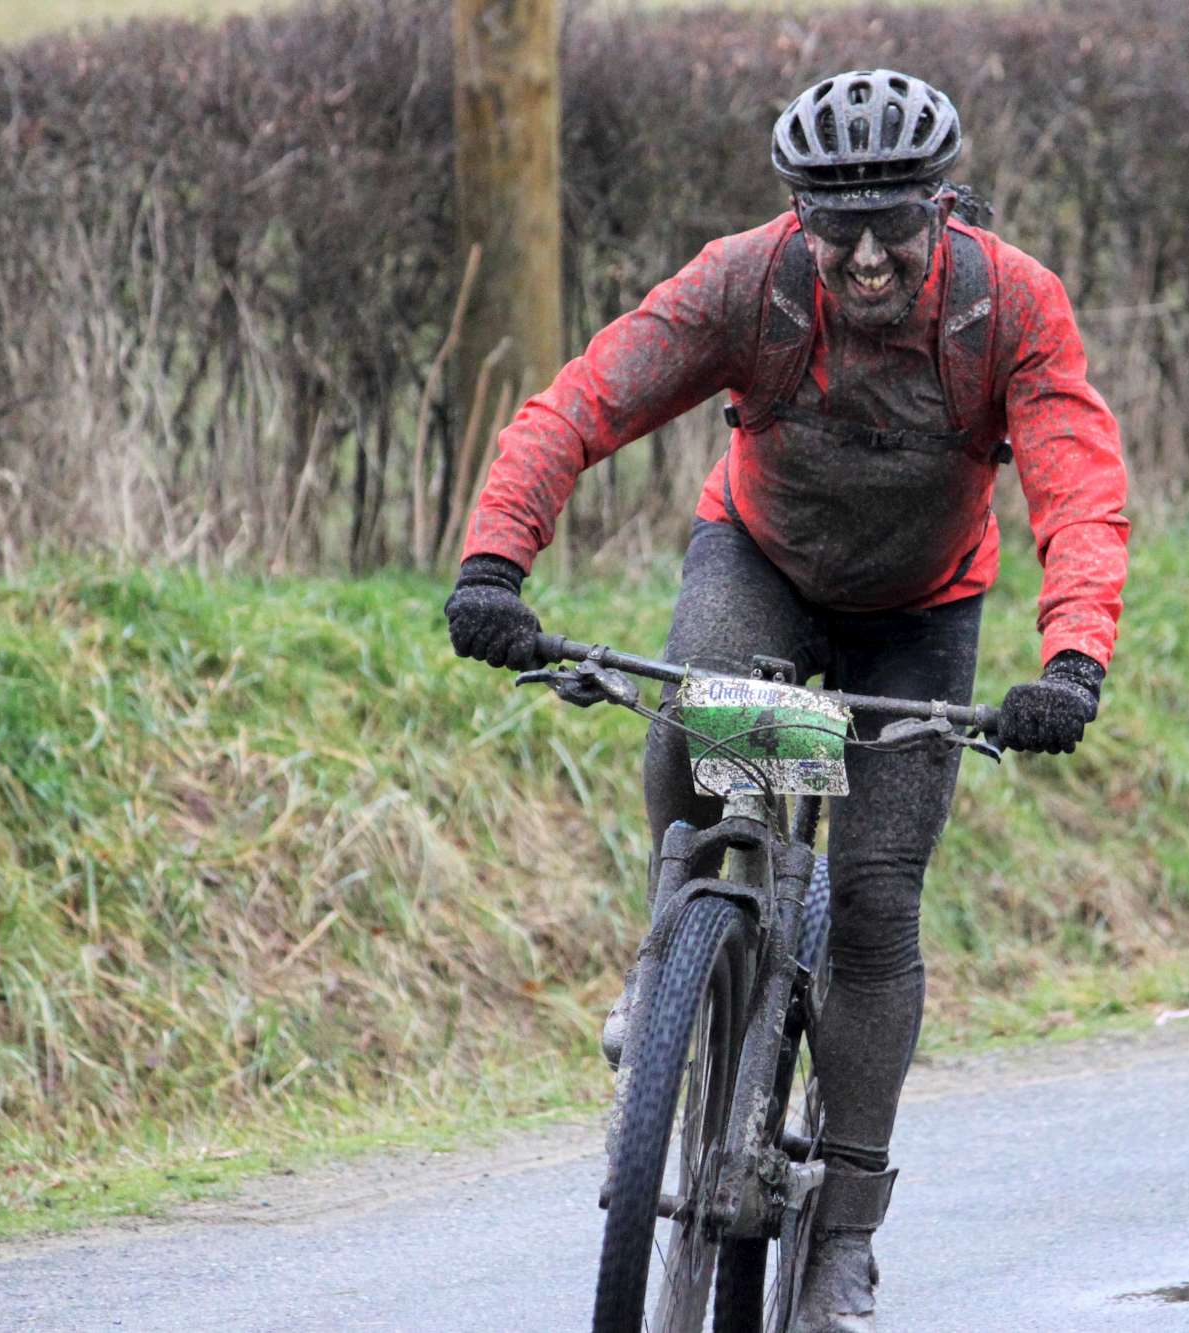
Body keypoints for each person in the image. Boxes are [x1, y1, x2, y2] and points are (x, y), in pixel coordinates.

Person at [445, 68, 1129, 1332]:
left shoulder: (1011, 307)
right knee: (702, 734)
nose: (865, 255)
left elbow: (1076, 487)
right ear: (797, 216)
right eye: (835, 225)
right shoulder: (742, 282)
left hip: (921, 615)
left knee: (873, 903)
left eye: (895, 226)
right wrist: (496, 561)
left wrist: (1072, 658)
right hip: (761, 565)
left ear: (944, 208)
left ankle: (842, 1244)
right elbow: (580, 402)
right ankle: (670, 983)